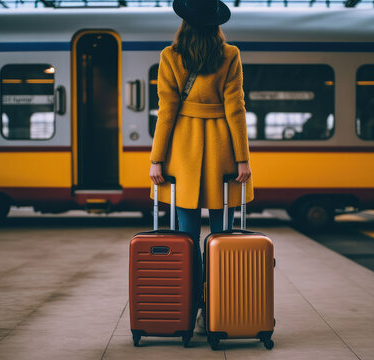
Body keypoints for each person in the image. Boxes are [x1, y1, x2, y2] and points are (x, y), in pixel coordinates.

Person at [148, 0, 254, 334]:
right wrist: (242, 158)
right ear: (215, 26)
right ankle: (220, 304)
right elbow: (236, 107)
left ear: (185, 24)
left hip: (182, 153)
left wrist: (156, 159)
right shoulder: (230, 54)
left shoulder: (170, 56)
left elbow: (166, 111)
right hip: (223, 151)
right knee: (222, 236)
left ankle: (189, 305)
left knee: (186, 237)